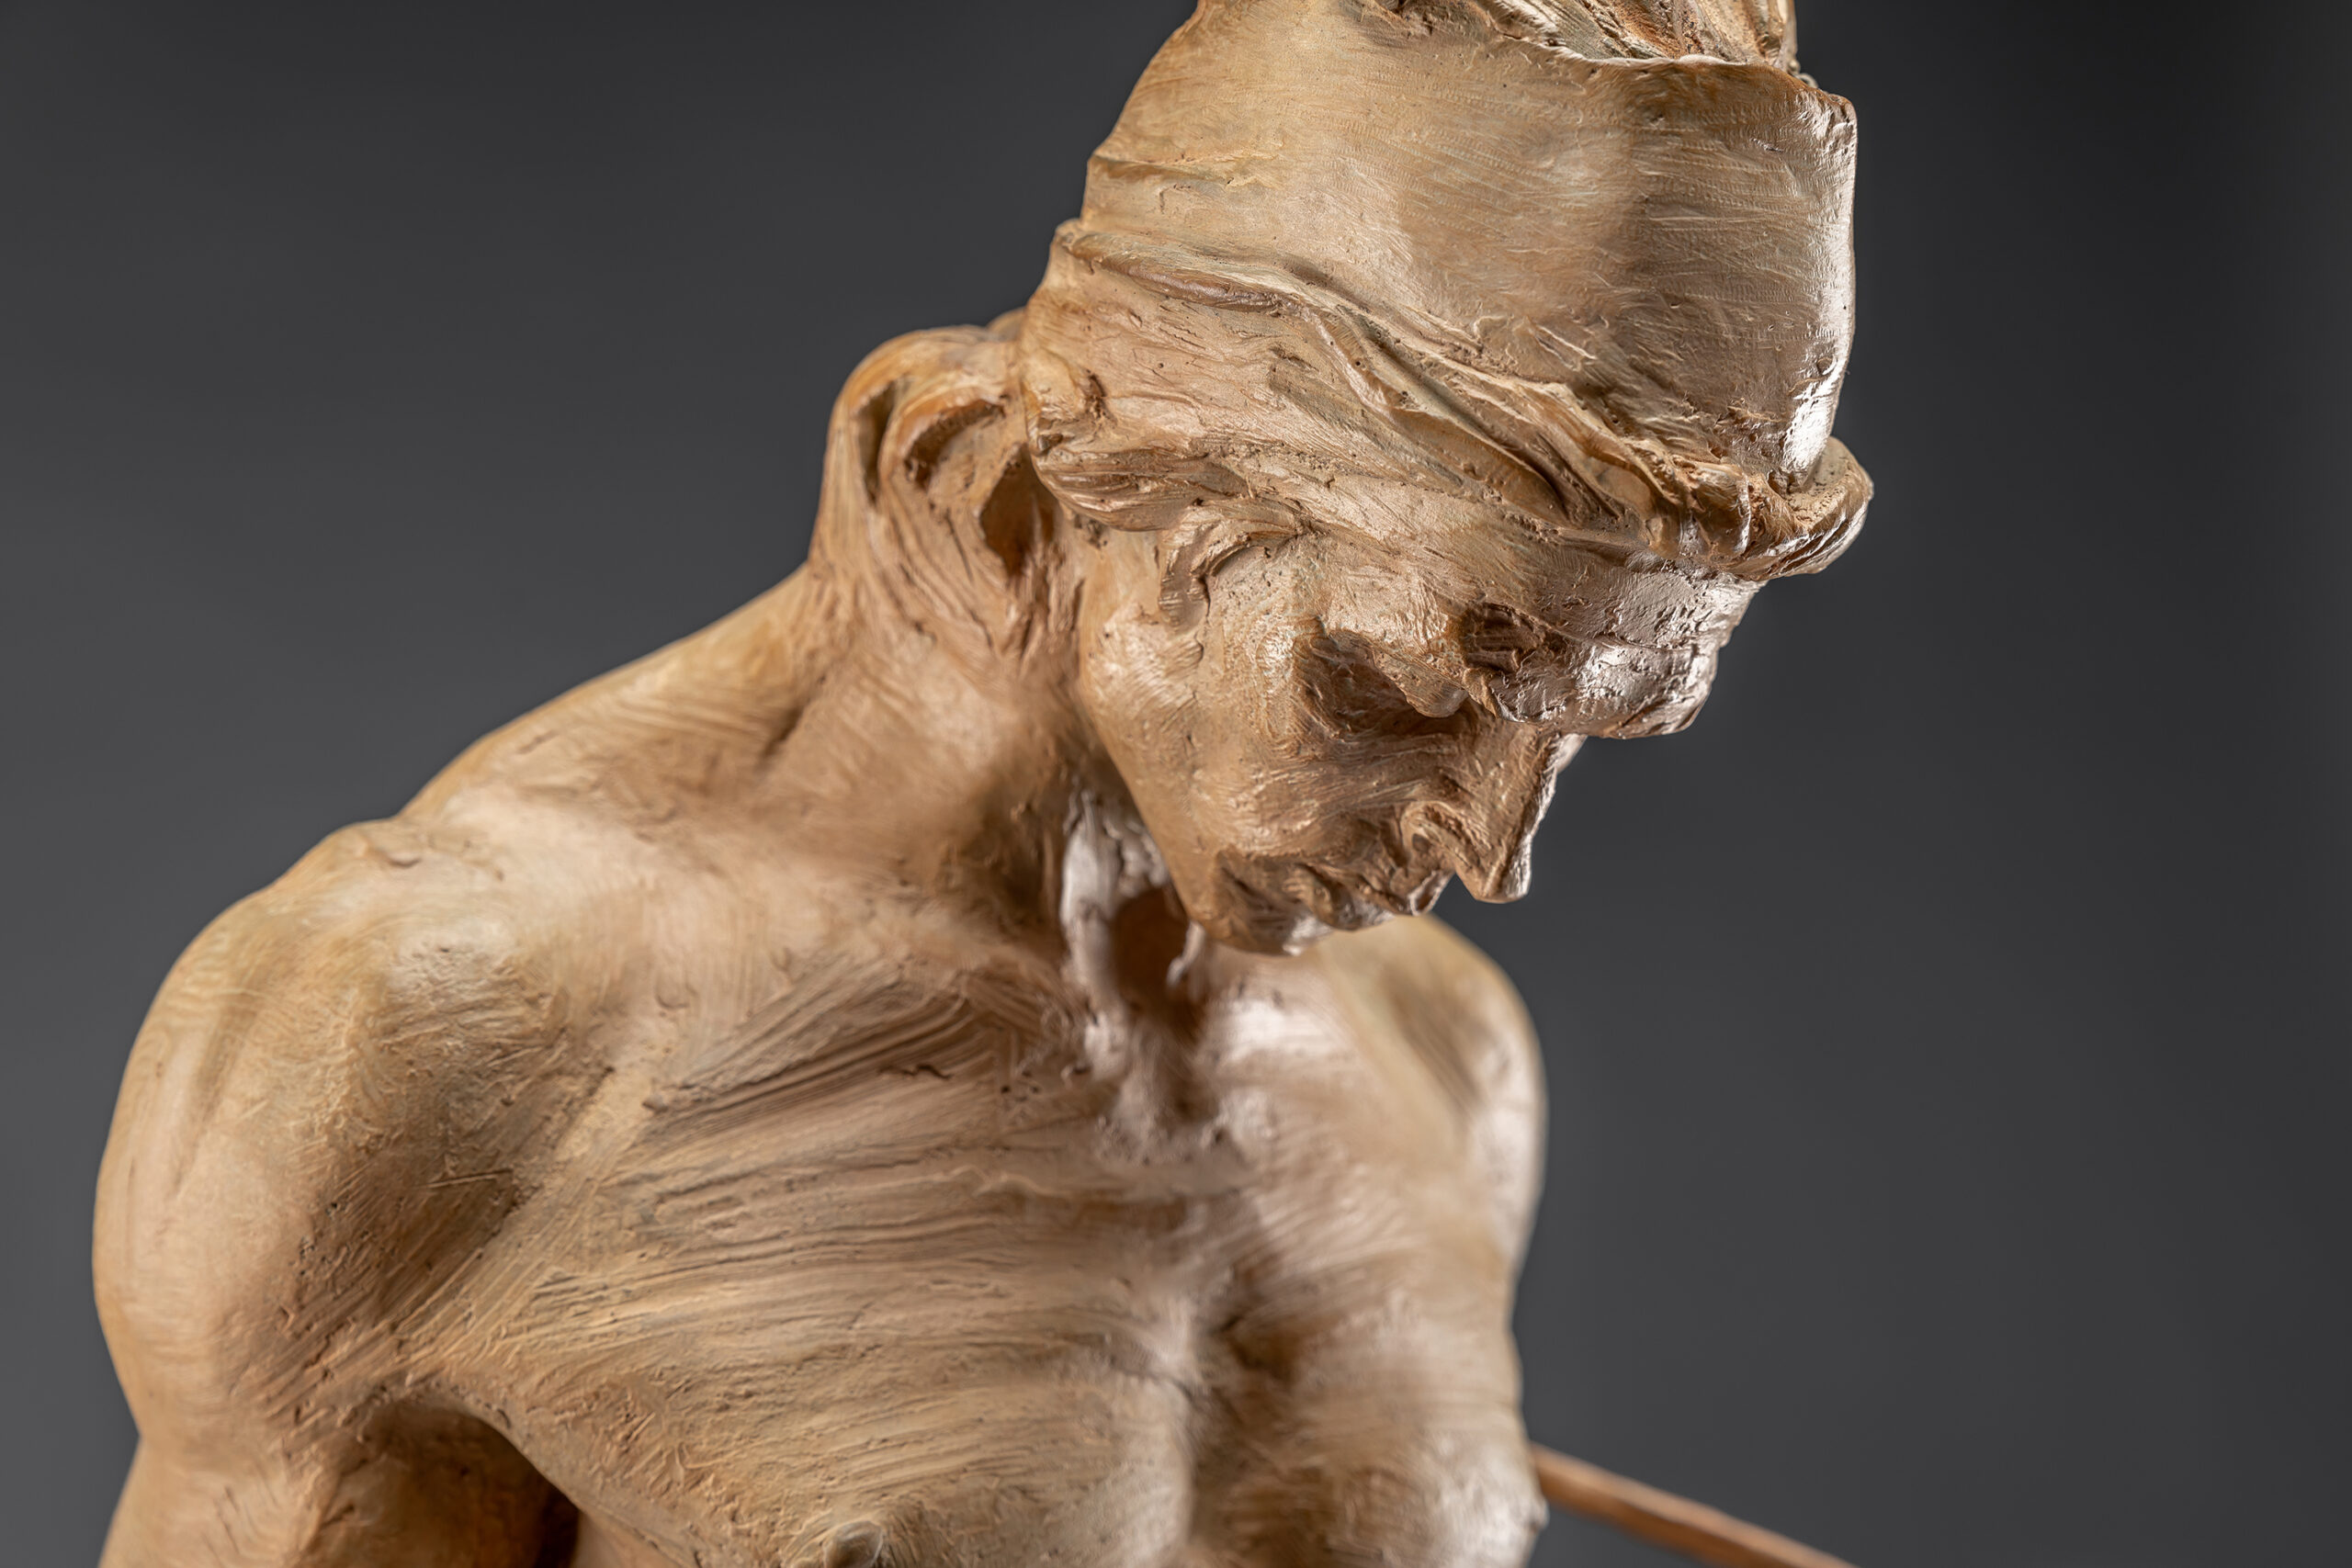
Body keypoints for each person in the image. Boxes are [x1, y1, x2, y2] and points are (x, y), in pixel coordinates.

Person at [93, 3, 1869, 1564]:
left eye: (1586, 724)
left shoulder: (1442, 1056)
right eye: (1399, 687)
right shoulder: (422, 1041)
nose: (1493, 848)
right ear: (1046, 494)